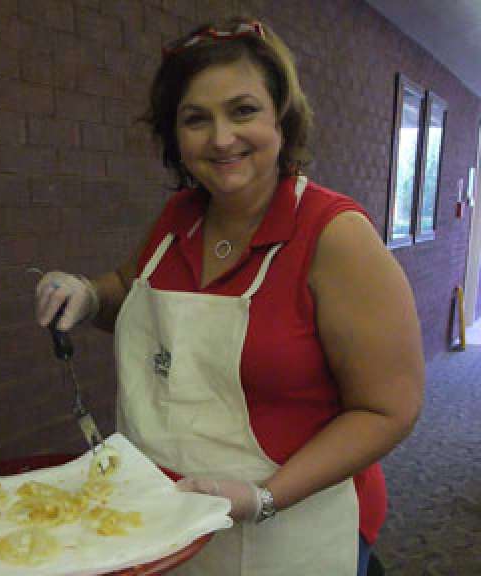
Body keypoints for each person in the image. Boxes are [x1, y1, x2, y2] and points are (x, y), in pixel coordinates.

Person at [34, 16, 424, 576]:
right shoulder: (178, 220)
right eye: (196, 119)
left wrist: (263, 497)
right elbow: (128, 293)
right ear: (174, 136)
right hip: (173, 518)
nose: (221, 139)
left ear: (282, 120)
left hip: (294, 526)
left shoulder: (334, 234)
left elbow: (389, 409)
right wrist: (88, 296)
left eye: (243, 111)